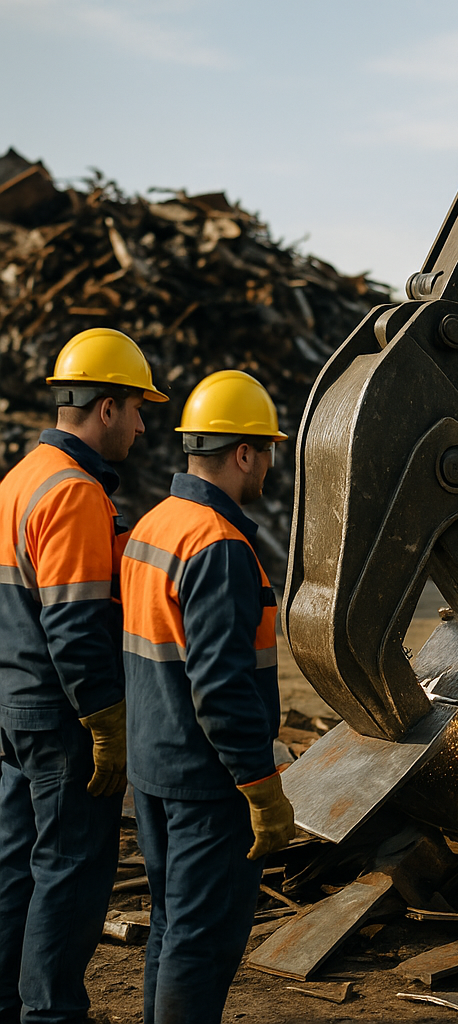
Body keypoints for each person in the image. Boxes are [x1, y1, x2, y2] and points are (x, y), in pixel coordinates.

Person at [0, 328, 168, 1024]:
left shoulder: (20, 478)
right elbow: (73, 627)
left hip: (14, 707)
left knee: (15, 867)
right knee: (70, 872)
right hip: (63, 717)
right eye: (136, 408)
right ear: (105, 407)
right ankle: (52, 1013)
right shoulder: (71, 493)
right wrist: (106, 724)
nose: (141, 422)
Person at [120, 369, 295, 1024]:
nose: (269, 468)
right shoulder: (220, 545)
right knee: (202, 941)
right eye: (268, 451)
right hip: (208, 783)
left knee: (171, 928)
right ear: (244, 452)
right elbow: (221, 685)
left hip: (154, 770)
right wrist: (261, 784)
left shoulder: (154, 524)